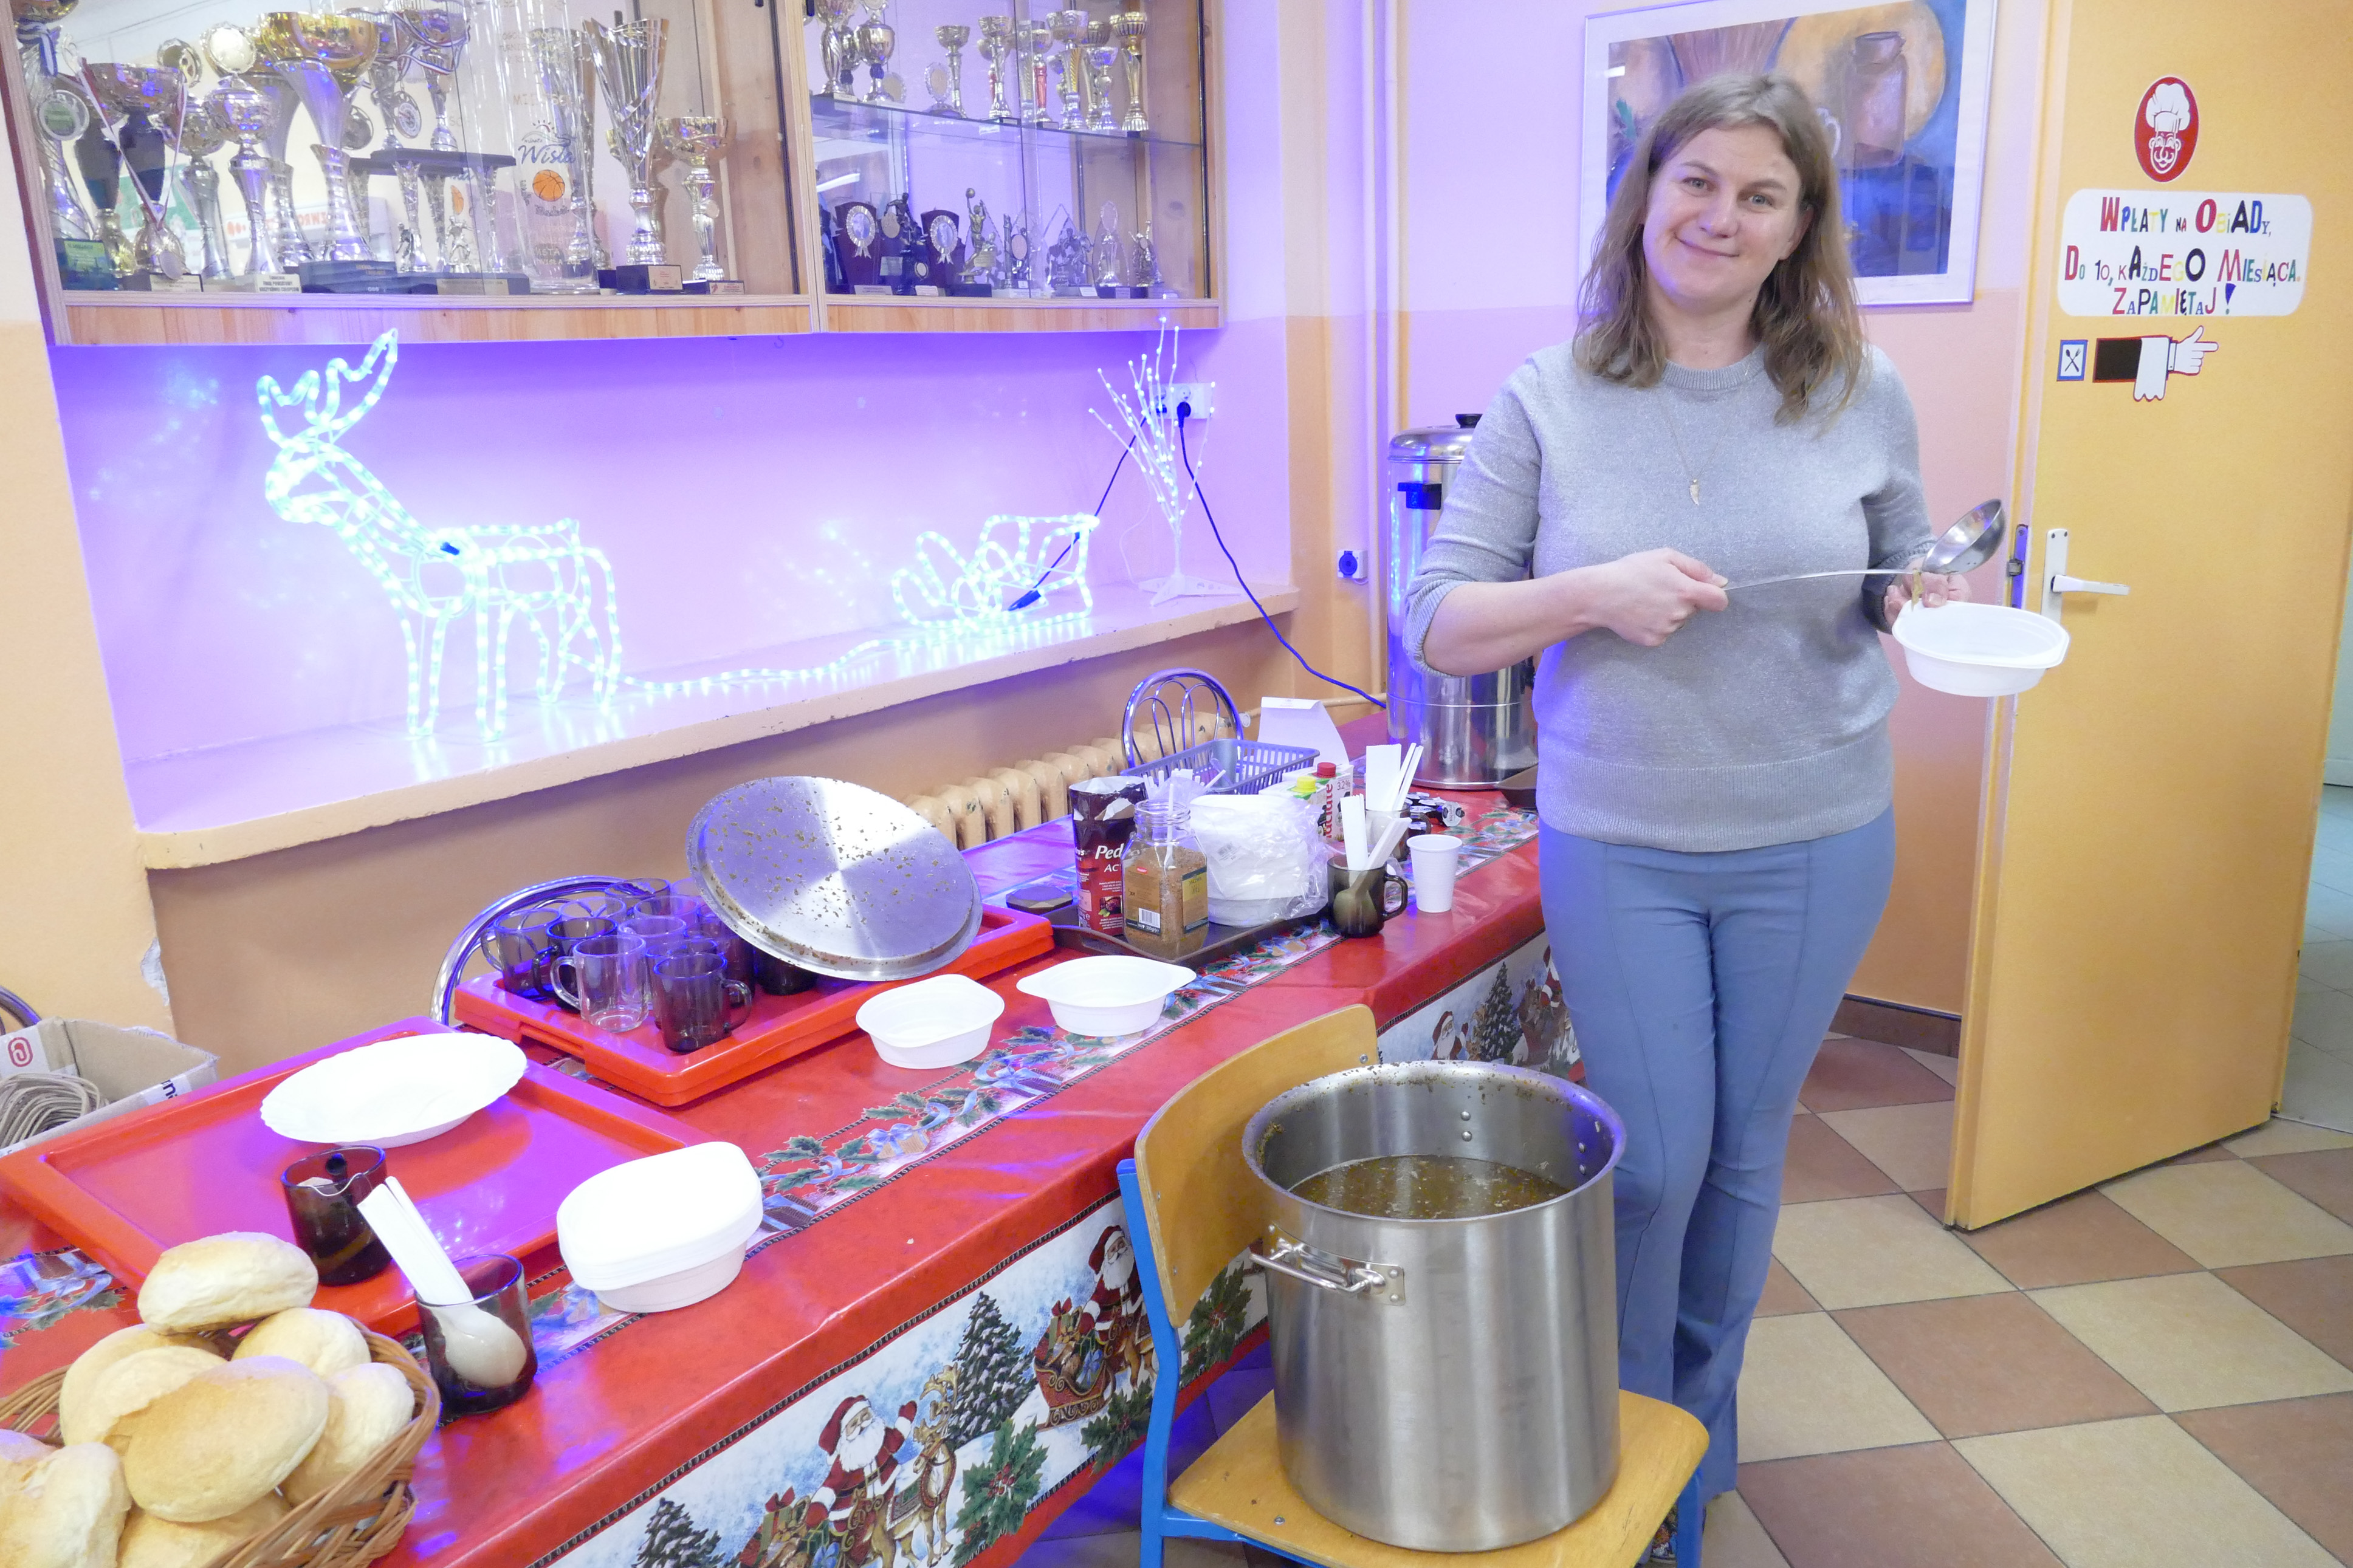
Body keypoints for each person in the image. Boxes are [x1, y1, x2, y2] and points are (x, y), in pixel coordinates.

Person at [1403, 73, 1968, 1516]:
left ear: (1797, 227)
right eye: (1697, 180)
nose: (1721, 215)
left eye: (1760, 195)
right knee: (1651, 1164)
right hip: (1622, 843)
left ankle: (1691, 1458)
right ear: (1645, 195)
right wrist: (1590, 594)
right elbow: (1438, 621)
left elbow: (1896, 568)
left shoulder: (1860, 389)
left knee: (1741, 1159)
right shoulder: (1548, 396)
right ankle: (1623, 1442)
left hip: (1816, 835)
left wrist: (1919, 596)